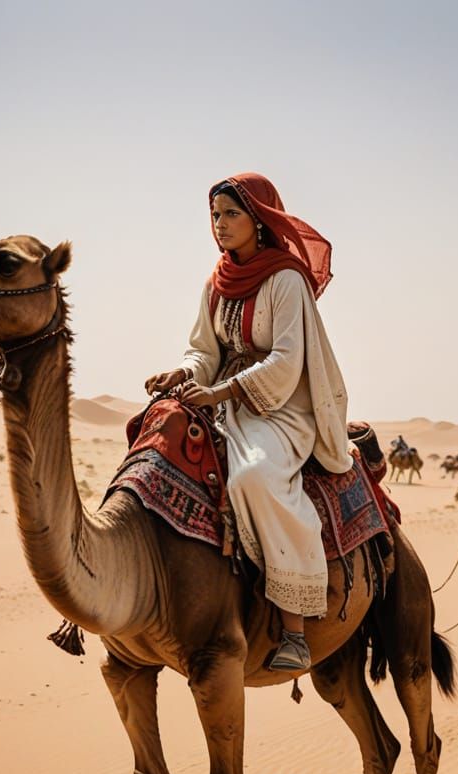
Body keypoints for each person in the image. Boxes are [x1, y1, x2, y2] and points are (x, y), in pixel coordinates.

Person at [144, 172, 351, 672]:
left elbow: (286, 360)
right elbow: (204, 350)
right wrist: (185, 372)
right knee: (153, 440)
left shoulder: (285, 280)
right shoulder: (215, 283)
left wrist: (220, 390)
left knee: (255, 476)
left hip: (280, 410)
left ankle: (295, 626)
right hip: (224, 402)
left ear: (259, 219)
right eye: (214, 215)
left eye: (231, 213)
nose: (220, 224)